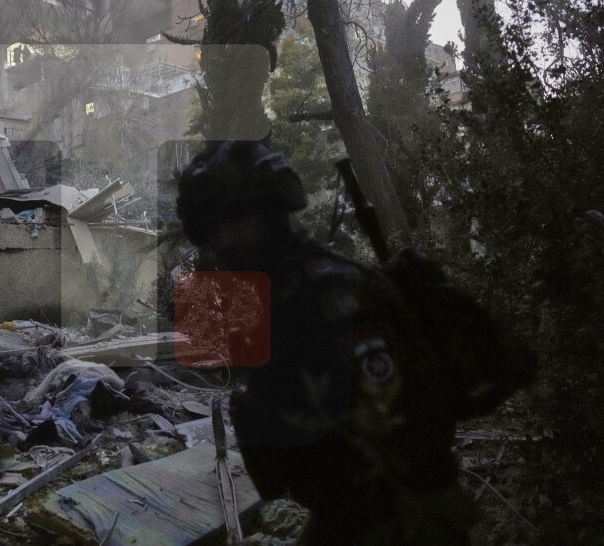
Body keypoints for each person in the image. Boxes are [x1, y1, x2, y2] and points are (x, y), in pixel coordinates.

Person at [176, 141, 474, 544]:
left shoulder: (333, 293)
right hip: (350, 510)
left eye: (235, 217)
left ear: (271, 210)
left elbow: (406, 432)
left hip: (404, 513)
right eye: (212, 227)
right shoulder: (281, 295)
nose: (224, 238)